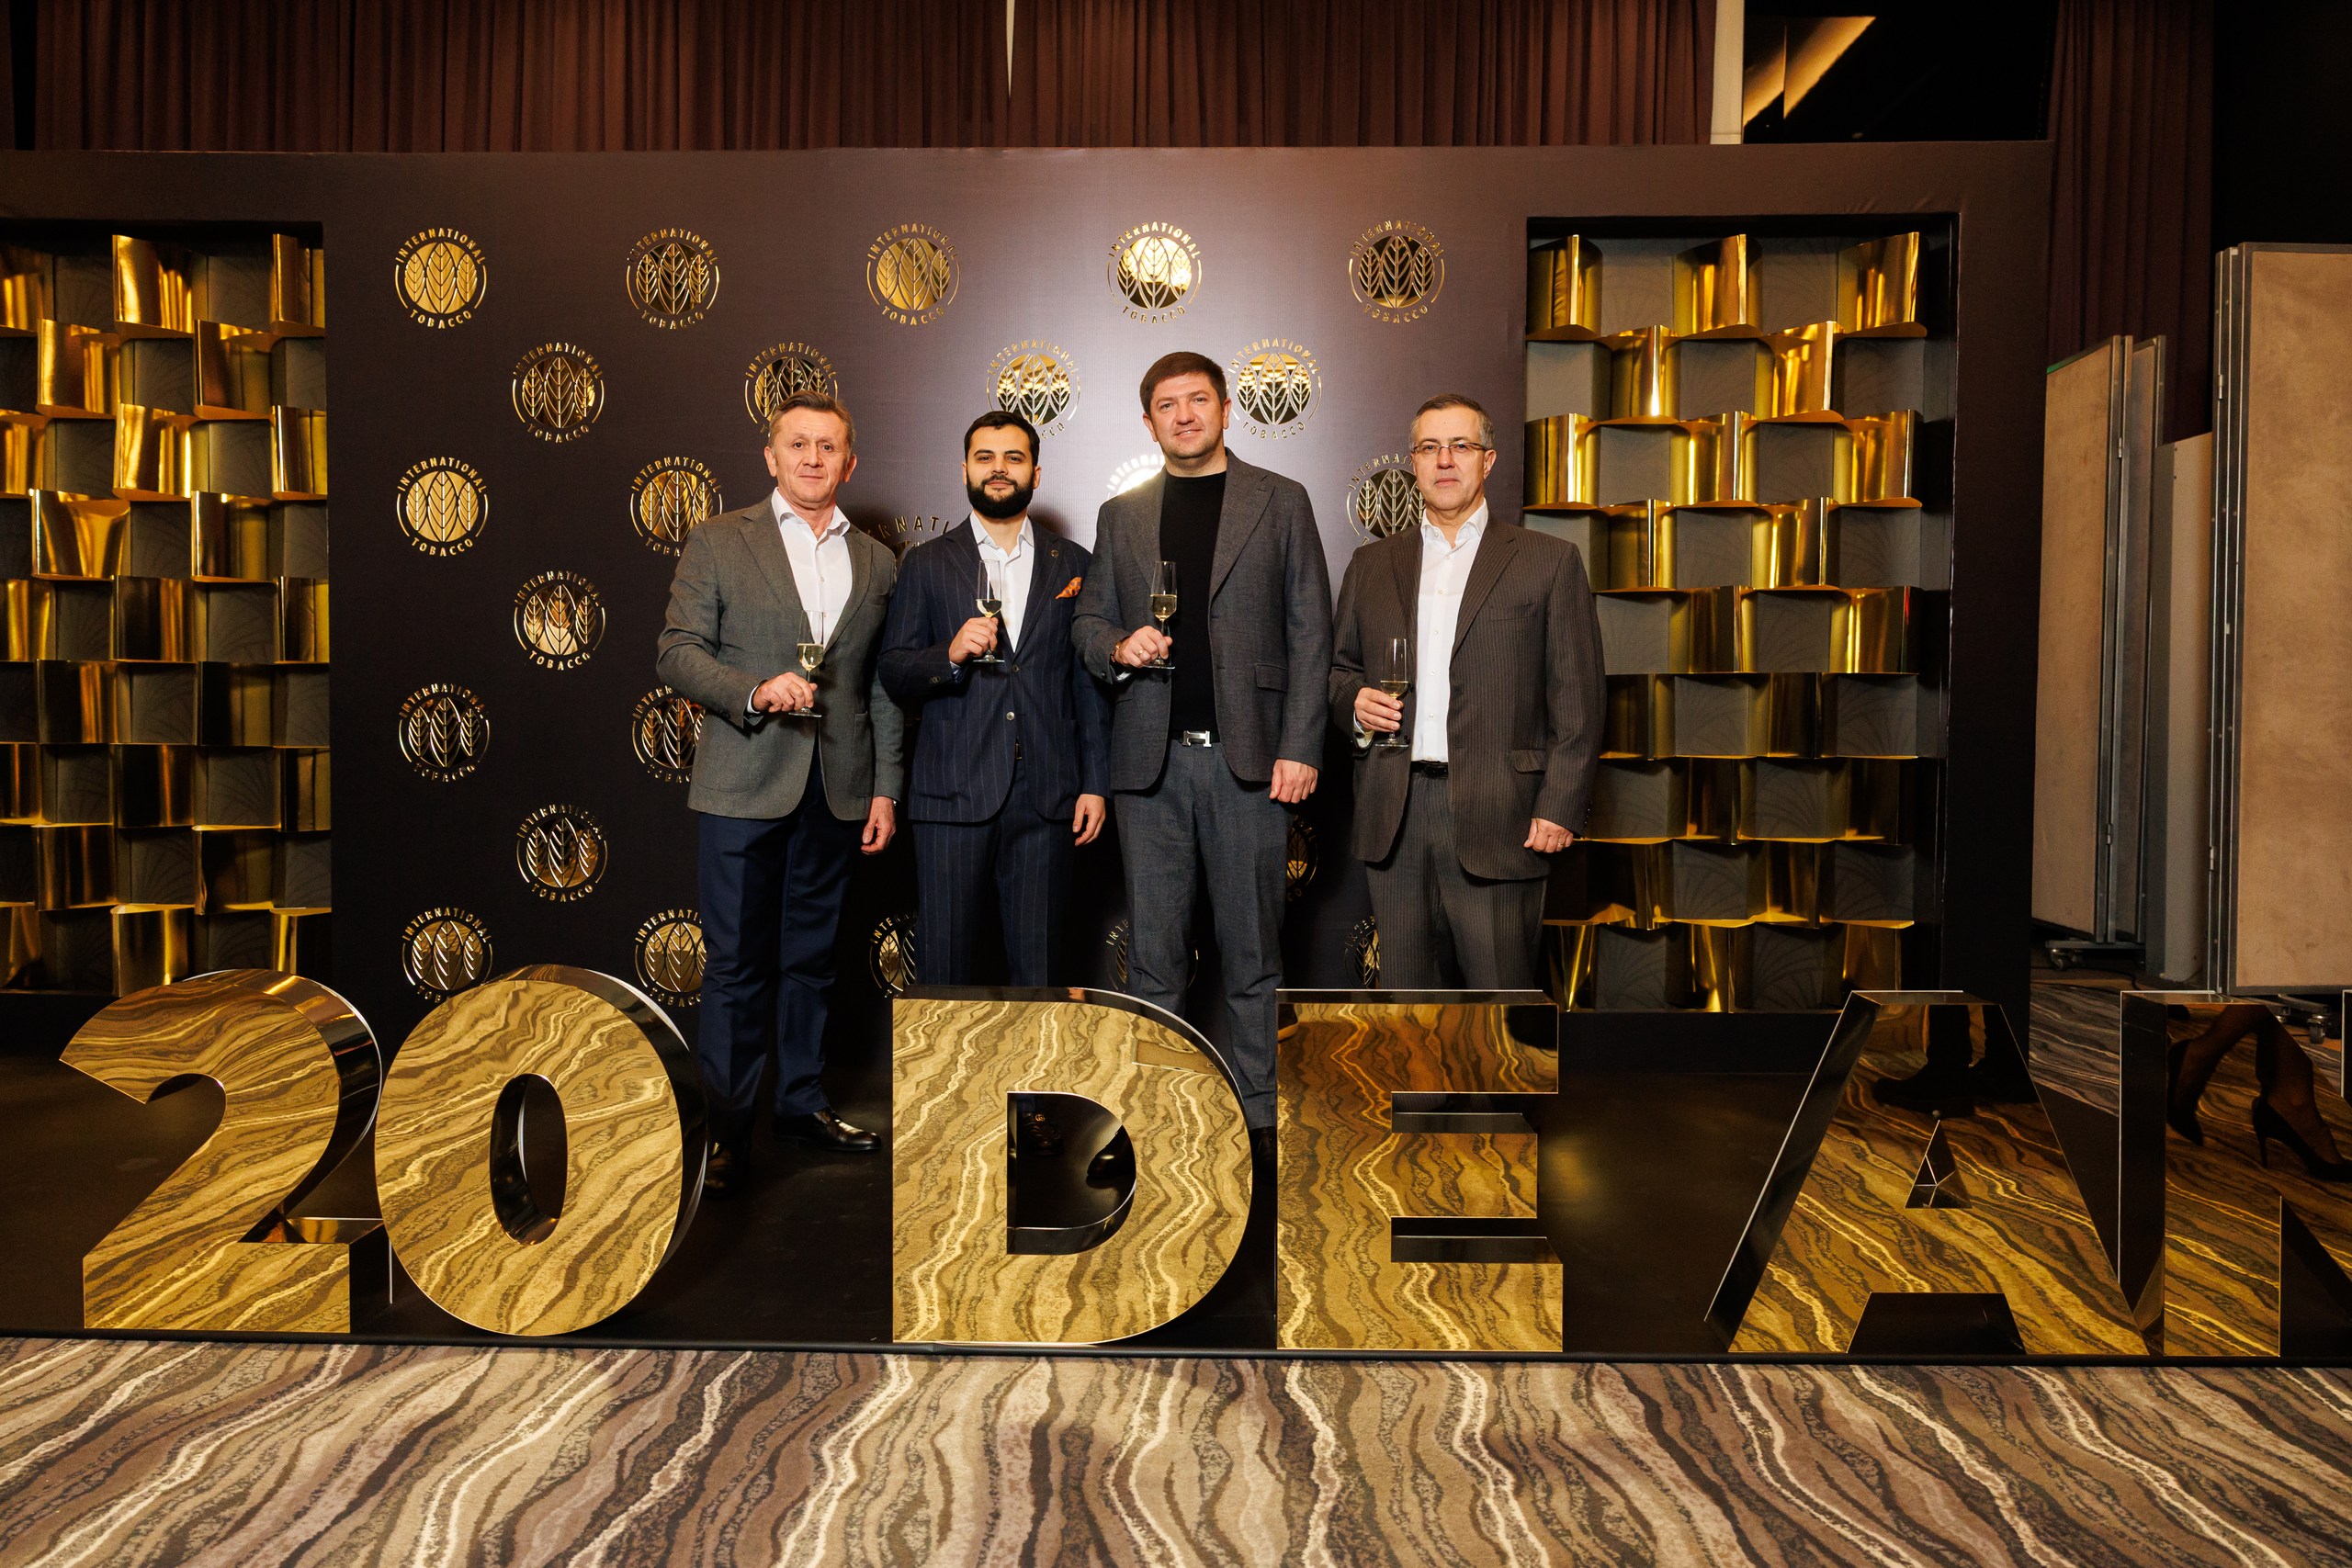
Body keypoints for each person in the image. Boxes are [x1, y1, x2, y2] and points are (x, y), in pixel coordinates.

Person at [1071, 351, 1331, 1137]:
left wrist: (1302, 745)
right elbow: (1087, 622)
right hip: (1150, 769)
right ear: (1147, 421)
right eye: (1167, 404)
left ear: (1225, 409)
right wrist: (1118, 645)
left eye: (1198, 400)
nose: (1183, 415)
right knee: (1154, 961)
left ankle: (1257, 1124)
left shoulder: (1281, 500)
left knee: (1253, 956)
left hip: (1248, 765)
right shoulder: (1120, 515)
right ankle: (1158, 1124)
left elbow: (1310, 631)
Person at [656, 391, 904, 1196]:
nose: (812, 458)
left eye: (828, 446)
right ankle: (727, 1132)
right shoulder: (719, 539)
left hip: (837, 787)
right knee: (735, 967)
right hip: (742, 783)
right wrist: (755, 690)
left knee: (813, 962)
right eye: (797, 444)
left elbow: (877, 686)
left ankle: (800, 1103)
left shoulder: (877, 561)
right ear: (771, 456)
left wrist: (885, 789)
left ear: (849, 462)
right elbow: (677, 651)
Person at [1328, 393, 1604, 989]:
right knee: (1409, 1004)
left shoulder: (1548, 561)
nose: (1445, 459)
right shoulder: (1371, 565)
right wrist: (1353, 701)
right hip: (1396, 812)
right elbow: (1339, 669)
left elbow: (1578, 699)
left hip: (1502, 811)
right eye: (1429, 447)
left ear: (1488, 459)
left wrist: (1560, 803)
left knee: (1499, 1003)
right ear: (1414, 462)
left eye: (1460, 445)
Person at [878, 410, 1110, 987]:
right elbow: (894, 671)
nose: (999, 469)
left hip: (1048, 796)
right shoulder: (926, 563)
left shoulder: (1074, 562)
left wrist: (1095, 783)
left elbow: (1087, 685)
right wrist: (949, 655)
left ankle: (1037, 1060)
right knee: (945, 973)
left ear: (1036, 472)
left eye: (1013, 458)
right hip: (951, 796)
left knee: (1041, 975)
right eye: (985, 458)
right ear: (965, 470)